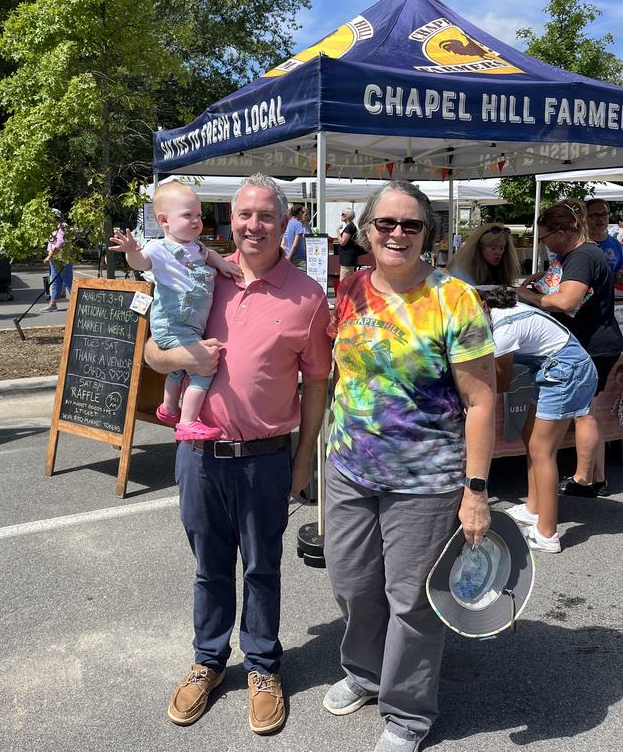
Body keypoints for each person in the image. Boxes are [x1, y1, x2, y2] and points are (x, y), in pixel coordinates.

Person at [144, 174, 331, 735]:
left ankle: (264, 666)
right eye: (244, 215)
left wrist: (303, 463)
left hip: (267, 457)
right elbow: (152, 353)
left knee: (263, 567)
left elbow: (317, 385)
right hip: (198, 454)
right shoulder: (197, 269)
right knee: (208, 567)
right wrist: (183, 354)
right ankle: (207, 660)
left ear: (284, 219)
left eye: (265, 216)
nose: (253, 226)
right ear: (233, 219)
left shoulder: (307, 296)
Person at [322, 180, 495, 752]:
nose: (397, 234)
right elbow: (341, 373)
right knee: (351, 585)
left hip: (425, 481)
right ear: (367, 230)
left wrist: (476, 490)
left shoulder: (455, 299)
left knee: (411, 601)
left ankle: (406, 714)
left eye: (410, 225)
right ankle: (366, 674)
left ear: (428, 233)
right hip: (349, 470)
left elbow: (481, 401)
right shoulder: (349, 289)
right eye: (386, 224)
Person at [110, 181, 241, 441]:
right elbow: (141, 261)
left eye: (198, 215)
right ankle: (187, 422)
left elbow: (210, 255)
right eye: (187, 215)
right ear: (164, 220)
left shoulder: (198, 247)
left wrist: (222, 265)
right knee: (203, 369)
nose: (196, 221)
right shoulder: (158, 249)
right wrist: (131, 252)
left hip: (190, 324)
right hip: (173, 324)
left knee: (178, 369)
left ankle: (169, 408)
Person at [515, 199, 623, 497]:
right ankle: (595, 477)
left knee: (583, 413)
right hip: (593, 341)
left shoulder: (582, 256)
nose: (545, 245)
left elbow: (566, 301)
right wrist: (538, 286)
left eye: (545, 238)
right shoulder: (581, 254)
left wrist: (527, 296)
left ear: (561, 232)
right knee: (587, 412)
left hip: (592, 344)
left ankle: (584, 479)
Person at [482, 286, 597, 553]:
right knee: (528, 435)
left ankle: (547, 533)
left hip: (566, 372)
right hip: (557, 369)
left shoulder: (503, 331)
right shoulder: (502, 313)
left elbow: (501, 382)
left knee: (542, 450)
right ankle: (535, 507)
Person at [447, 222, 521, 286]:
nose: (498, 252)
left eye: (501, 248)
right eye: (493, 248)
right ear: (479, 247)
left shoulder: (500, 270)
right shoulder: (461, 272)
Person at [42, 210, 74, 313]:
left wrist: (49, 256)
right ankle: (53, 304)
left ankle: (76, 304)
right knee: (55, 282)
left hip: (62, 260)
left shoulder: (62, 226)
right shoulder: (54, 228)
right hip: (56, 260)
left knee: (68, 282)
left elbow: (60, 243)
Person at [585, 199, 623, 280]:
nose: (601, 219)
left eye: (604, 214)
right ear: (585, 218)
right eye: (595, 215)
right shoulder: (574, 244)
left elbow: (617, 272)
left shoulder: (616, 244)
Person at [336, 207, 362, 280]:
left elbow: (342, 242)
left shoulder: (349, 227)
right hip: (348, 259)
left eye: (343, 214)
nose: (341, 215)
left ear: (347, 216)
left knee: (343, 284)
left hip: (347, 260)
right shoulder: (351, 226)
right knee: (348, 282)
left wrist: (337, 230)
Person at [282, 202, 307, 269]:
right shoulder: (298, 224)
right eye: (302, 212)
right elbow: (295, 244)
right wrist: (289, 258)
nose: (303, 214)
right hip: (298, 259)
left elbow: (283, 243)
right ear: (299, 212)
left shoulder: (287, 223)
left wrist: (287, 256)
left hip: (287, 256)